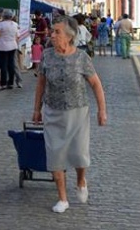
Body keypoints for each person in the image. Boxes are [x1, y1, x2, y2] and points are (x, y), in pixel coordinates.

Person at [32, 16, 107, 213]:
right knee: (55, 154)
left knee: (79, 154)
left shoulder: (82, 58)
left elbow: (96, 84)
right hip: (53, 112)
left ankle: (81, 180)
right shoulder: (47, 56)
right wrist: (36, 109)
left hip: (78, 113)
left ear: (69, 36)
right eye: (52, 31)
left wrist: (102, 110)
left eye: (57, 32)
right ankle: (62, 199)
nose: (52, 35)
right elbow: (41, 84)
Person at [0, 12, 19, 90]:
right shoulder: (15, 24)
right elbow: (17, 36)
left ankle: (3, 83)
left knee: (3, 65)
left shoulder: (0, 24)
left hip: (3, 46)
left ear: (4, 16)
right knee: (11, 64)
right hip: (13, 45)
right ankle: (10, 83)